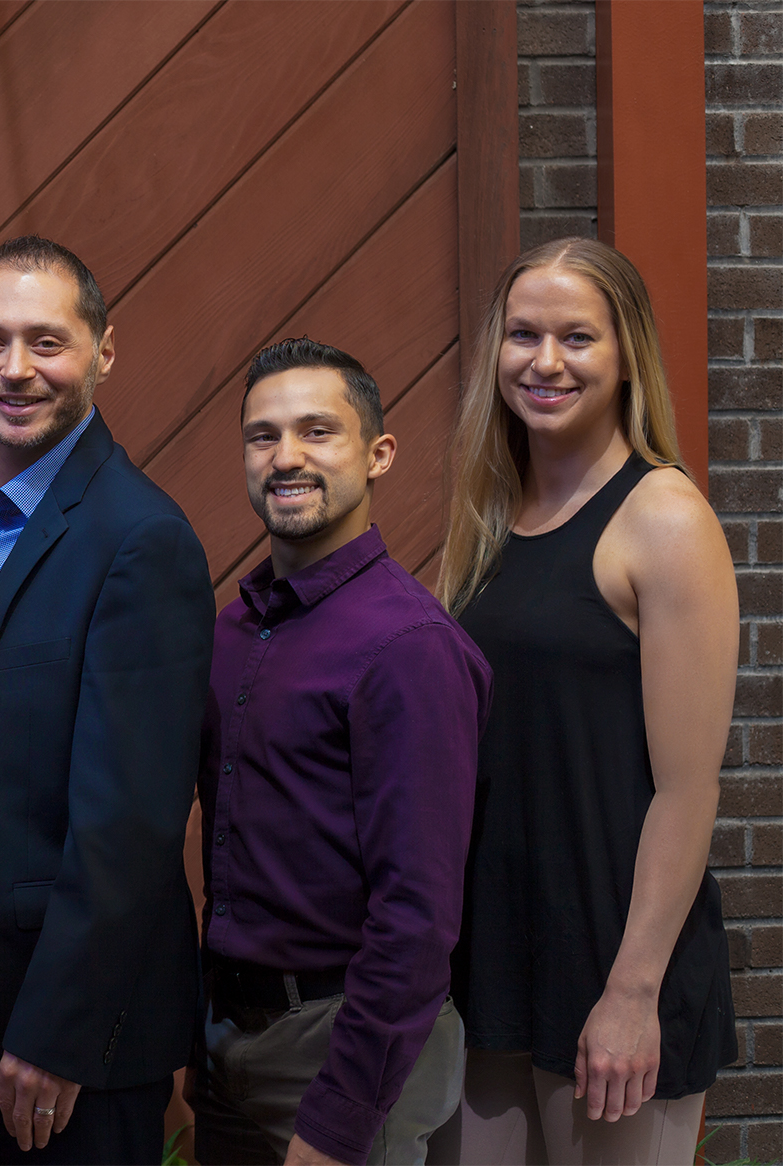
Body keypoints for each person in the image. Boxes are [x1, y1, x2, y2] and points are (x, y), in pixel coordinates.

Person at [438, 237, 737, 1165]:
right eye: (523, 335)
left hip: (614, 963)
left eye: (577, 337)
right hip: (493, 965)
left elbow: (688, 791)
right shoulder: (488, 520)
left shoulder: (665, 518)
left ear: (626, 356)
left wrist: (633, 992)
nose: (546, 361)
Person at [0, 236, 213, 1165]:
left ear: (104, 351)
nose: (15, 370)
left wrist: (59, 1030)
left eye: (46, 343)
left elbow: (130, 822)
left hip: (72, 1034)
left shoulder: (142, 539)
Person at [190, 338, 491, 1166]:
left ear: (378, 453)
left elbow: (418, 915)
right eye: (263, 436)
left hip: (345, 1046)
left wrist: (341, 1117)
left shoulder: (410, 646)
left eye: (317, 431)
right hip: (228, 1039)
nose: (286, 457)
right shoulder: (233, 631)